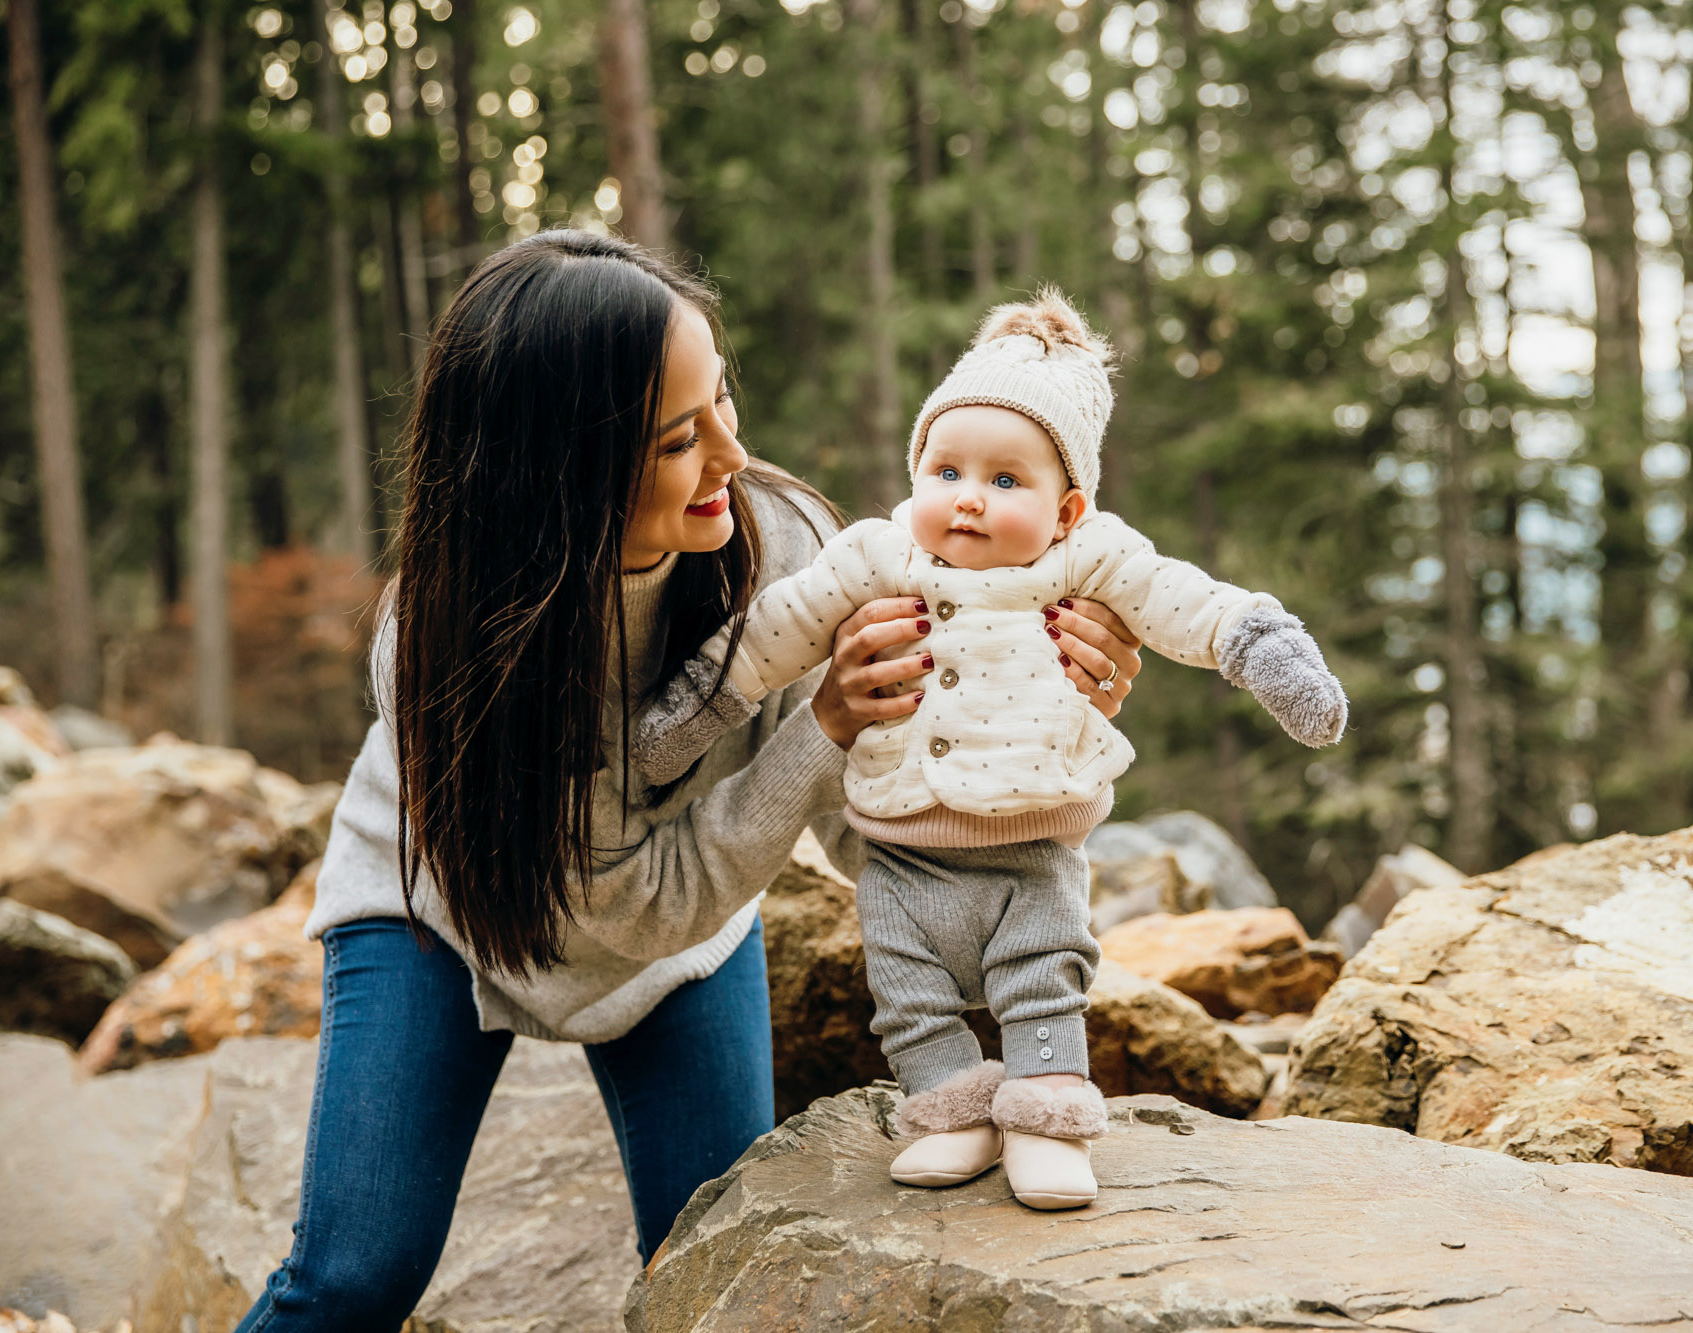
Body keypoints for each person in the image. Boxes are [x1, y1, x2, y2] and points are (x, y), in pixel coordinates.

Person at [233, 232, 1145, 1331]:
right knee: (352, 1280)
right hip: (445, 903)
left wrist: (1030, 721)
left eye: (723, 400)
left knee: (716, 1263)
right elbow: (617, 904)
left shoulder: (791, 542)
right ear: (562, 465)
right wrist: (820, 726)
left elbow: (898, 798)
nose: (729, 455)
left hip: (686, 942)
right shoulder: (439, 644)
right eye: (678, 438)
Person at [633, 289, 1347, 1211]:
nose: (968, 497)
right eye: (945, 469)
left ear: (1067, 509)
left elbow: (1185, 599)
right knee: (906, 990)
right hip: (898, 850)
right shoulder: (873, 556)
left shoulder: (1084, 560)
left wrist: (1265, 646)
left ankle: (1047, 1120)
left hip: (1032, 846)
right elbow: (770, 635)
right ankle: (950, 1109)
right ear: (915, 471)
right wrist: (690, 712)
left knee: (1043, 976)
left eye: (1007, 481)